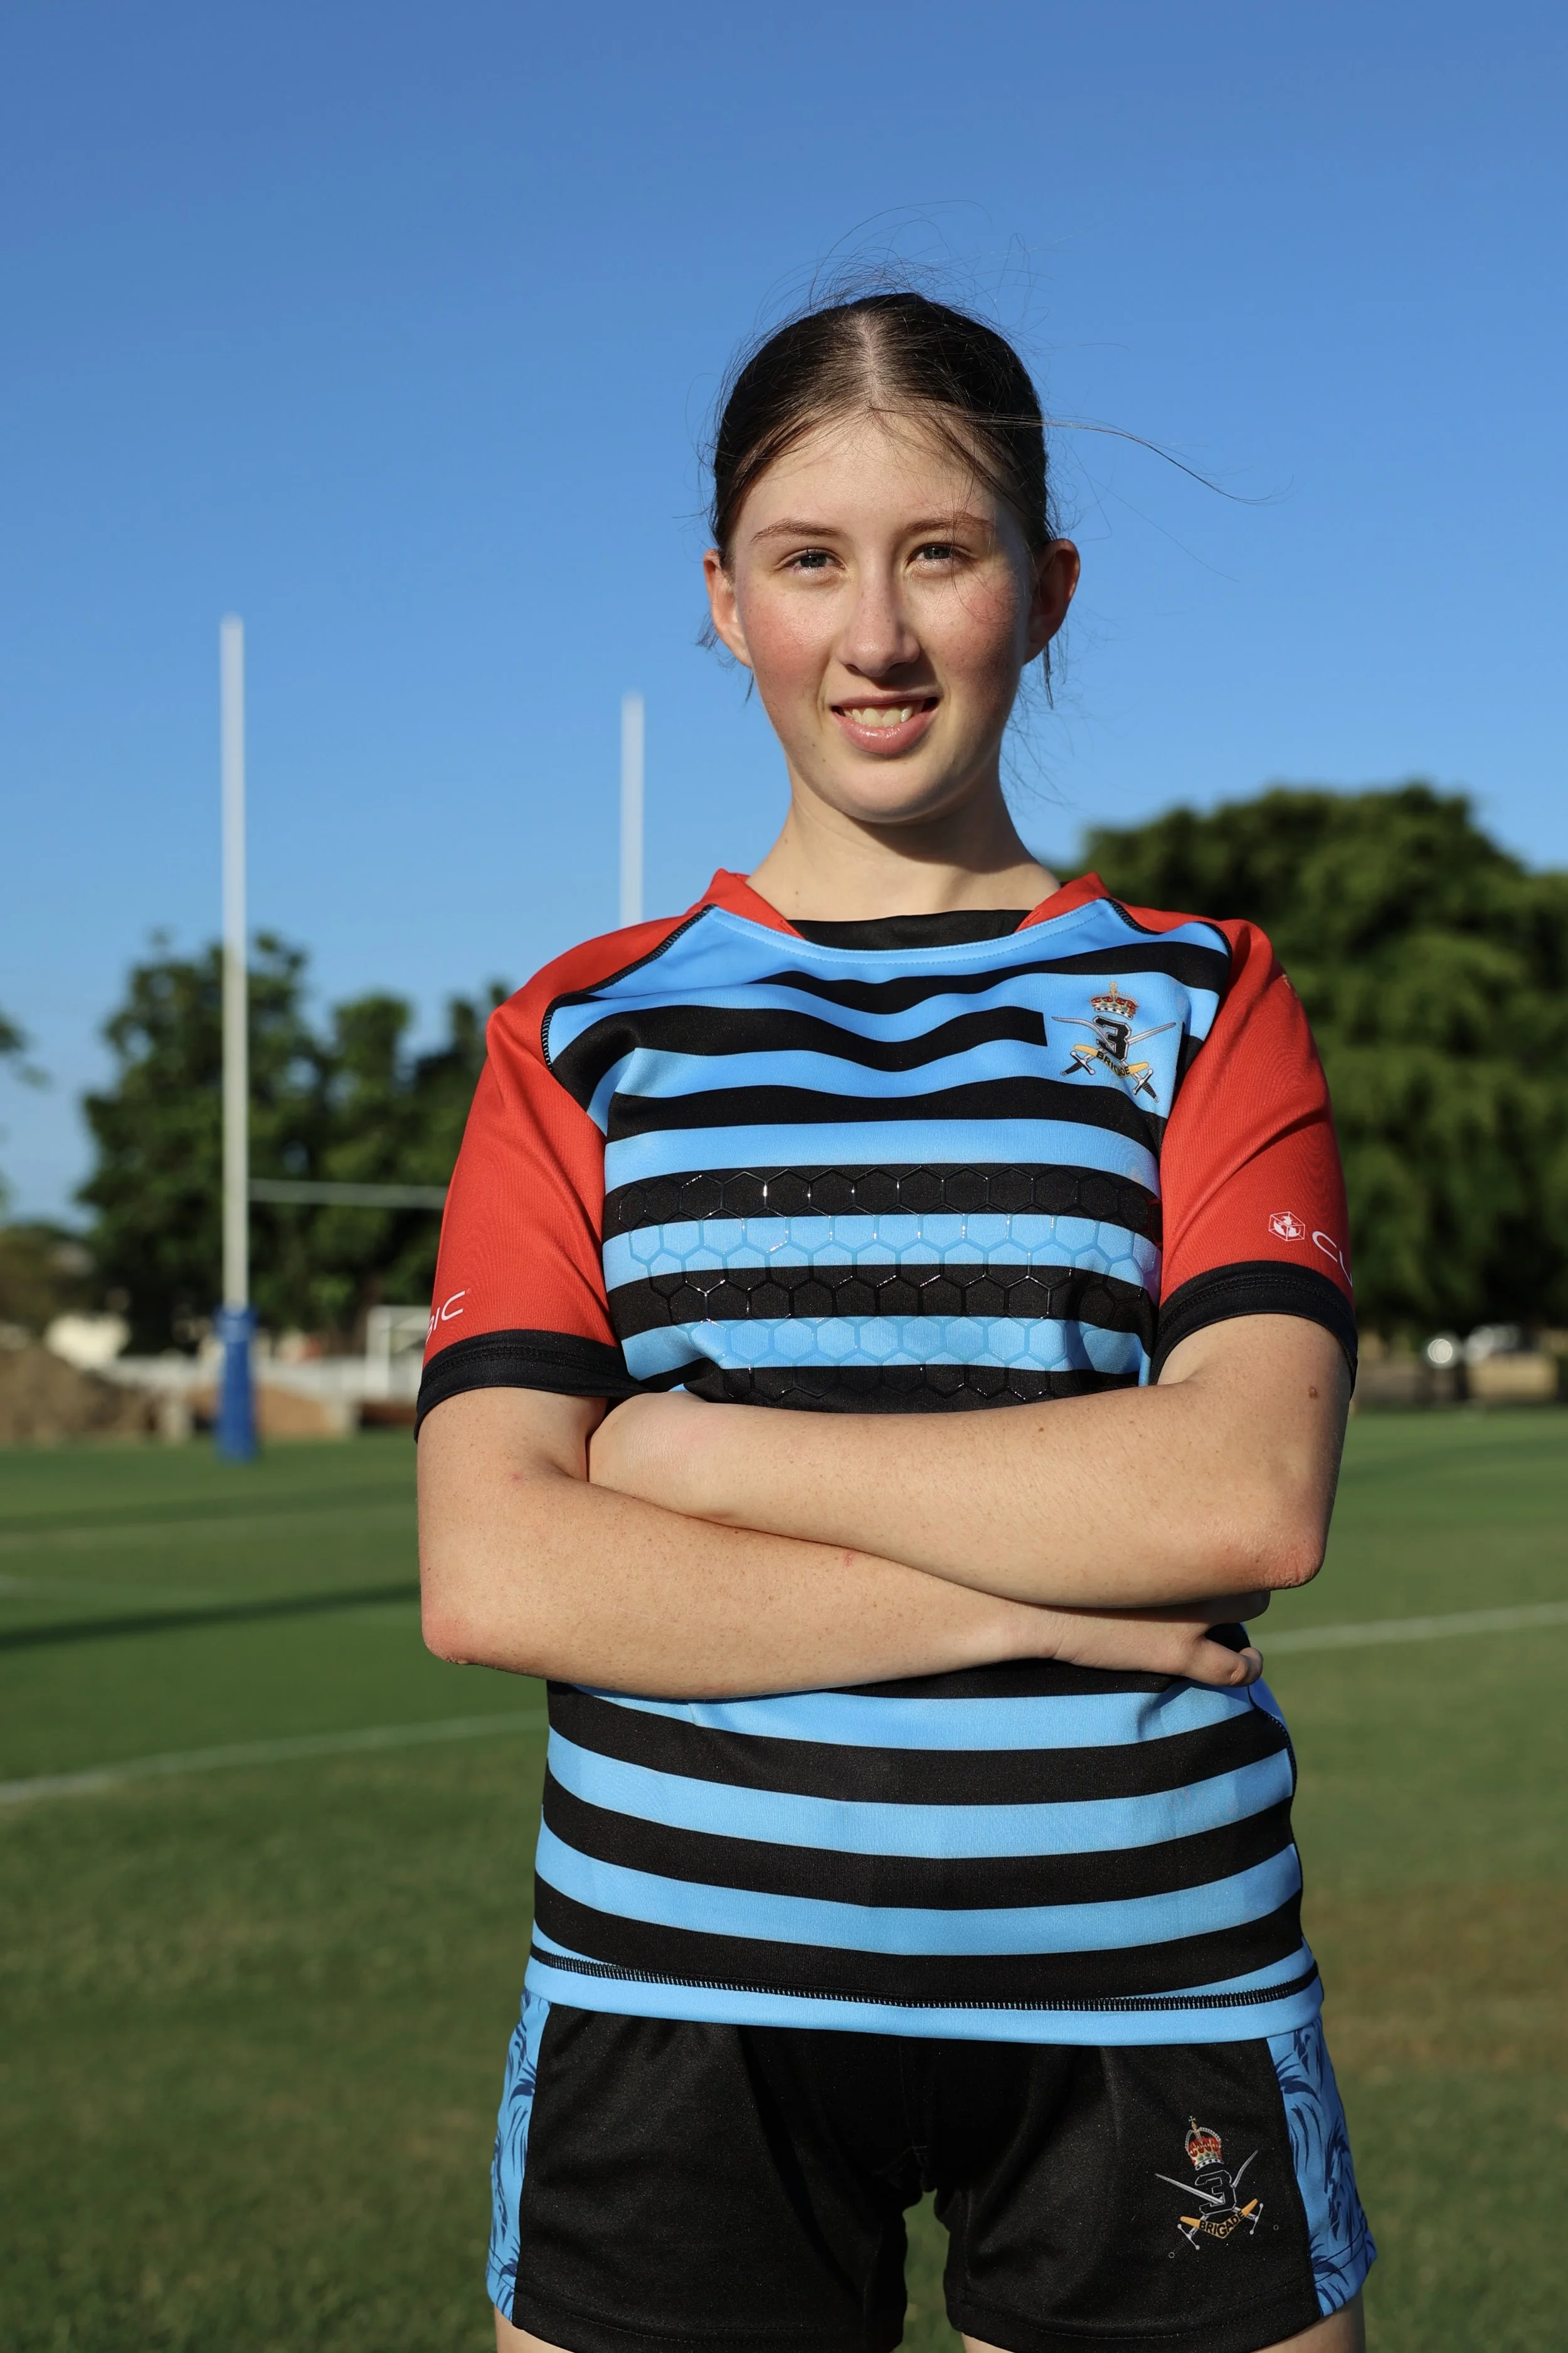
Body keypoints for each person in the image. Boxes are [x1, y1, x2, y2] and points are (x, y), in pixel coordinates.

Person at [416, 289, 1375, 2353]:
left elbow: (1242, 1487)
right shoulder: (580, 1036)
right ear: (721, 600)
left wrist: (703, 1456)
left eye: (939, 552)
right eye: (808, 560)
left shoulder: (1206, 996)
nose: (875, 635)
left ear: (1042, 591)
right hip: (680, 1998)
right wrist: (1038, 1605)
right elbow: (497, 1564)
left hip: (1154, 1986)